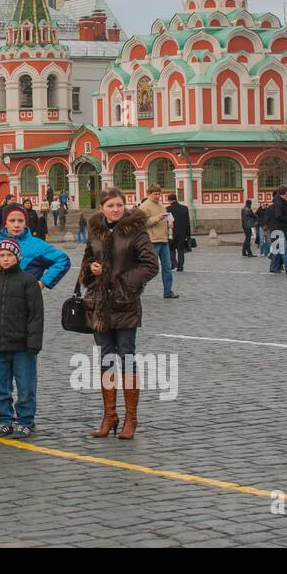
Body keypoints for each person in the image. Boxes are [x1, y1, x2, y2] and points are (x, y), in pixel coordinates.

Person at [82, 187, 159, 440]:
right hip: (100, 305)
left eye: (119, 205)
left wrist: (125, 283)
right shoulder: (94, 231)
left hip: (125, 304)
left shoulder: (135, 230)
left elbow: (150, 265)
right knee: (106, 359)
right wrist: (90, 269)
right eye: (110, 206)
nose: (115, 209)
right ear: (101, 208)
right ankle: (109, 415)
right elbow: (85, 263)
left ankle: (130, 419)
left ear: (125, 206)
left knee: (127, 357)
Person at [0, 236, 45, 439]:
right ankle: (5, 419)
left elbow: (36, 315)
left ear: (17, 256)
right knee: (0, 388)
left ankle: (25, 420)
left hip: (23, 345)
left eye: (9, 255)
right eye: (2, 255)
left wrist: (34, 342)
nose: (5, 259)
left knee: (25, 386)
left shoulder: (28, 282)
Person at [0, 202, 71, 291]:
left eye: (20, 221)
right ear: (5, 223)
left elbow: (62, 260)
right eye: (12, 221)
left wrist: (43, 282)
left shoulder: (37, 245)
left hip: (26, 300)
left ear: (26, 223)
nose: (16, 225)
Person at [138, 186, 176, 299]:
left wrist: (169, 223)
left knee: (167, 267)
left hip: (164, 239)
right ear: (149, 193)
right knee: (150, 267)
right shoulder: (144, 207)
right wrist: (158, 218)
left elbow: (165, 220)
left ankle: (168, 291)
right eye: (155, 194)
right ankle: (138, 285)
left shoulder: (162, 206)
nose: (158, 196)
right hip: (152, 240)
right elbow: (144, 223)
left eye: (159, 194)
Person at [269, 188, 287, 275]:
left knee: (277, 251)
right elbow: (278, 215)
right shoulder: (279, 203)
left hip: (275, 229)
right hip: (279, 229)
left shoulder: (277, 202)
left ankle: (273, 267)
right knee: (284, 250)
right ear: (284, 193)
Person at [167, 195, 191, 271]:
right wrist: (188, 234)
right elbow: (187, 222)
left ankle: (173, 263)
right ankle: (180, 267)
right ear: (176, 199)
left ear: (169, 200)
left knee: (171, 249)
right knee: (180, 250)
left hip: (171, 232)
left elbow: (167, 222)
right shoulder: (184, 208)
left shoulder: (168, 209)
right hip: (182, 233)